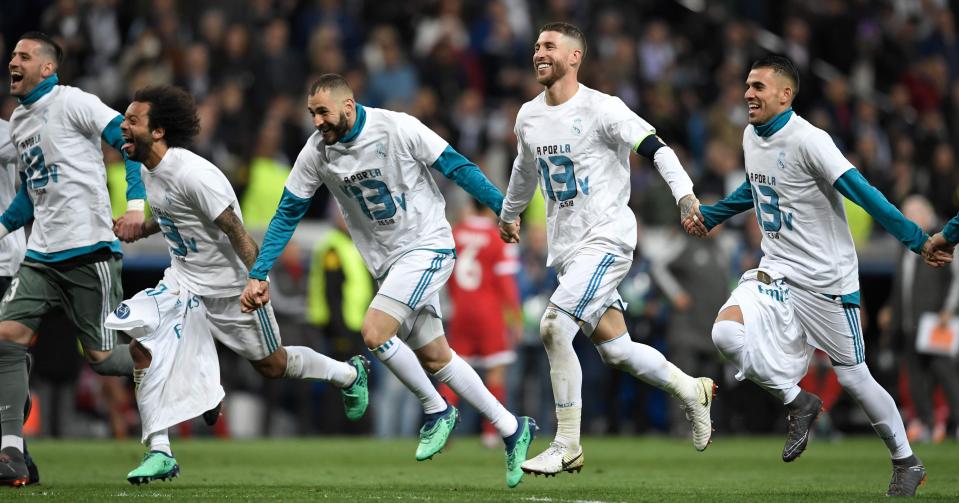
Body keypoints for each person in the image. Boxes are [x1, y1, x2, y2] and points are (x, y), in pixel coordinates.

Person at [240, 74, 536, 489]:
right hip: (388, 265)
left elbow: (456, 166)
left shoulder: (397, 127)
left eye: (322, 112)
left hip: (427, 246)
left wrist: (503, 211)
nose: (316, 122)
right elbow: (288, 212)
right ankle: (512, 428)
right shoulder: (316, 153)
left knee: (375, 331)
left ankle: (437, 410)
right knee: (436, 357)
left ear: (348, 105)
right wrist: (258, 272)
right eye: (311, 114)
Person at [686, 55, 949, 497]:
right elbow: (757, 187)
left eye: (758, 87)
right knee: (726, 335)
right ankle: (798, 401)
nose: (748, 94)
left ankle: (907, 460)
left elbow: (863, 193)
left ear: (785, 95)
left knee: (854, 377)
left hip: (826, 281)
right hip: (775, 271)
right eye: (747, 86)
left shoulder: (811, 141)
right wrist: (713, 215)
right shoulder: (752, 136)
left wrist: (917, 240)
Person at [106, 85, 369, 484]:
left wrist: (257, 279)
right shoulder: (149, 169)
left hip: (230, 290)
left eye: (132, 121)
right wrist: (144, 228)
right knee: (142, 347)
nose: (122, 127)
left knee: (273, 364)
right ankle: (159, 449)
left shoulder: (195, 174)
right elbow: (172, 211)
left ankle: (348, 375)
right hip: (183, 283)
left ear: (158, 131)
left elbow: (236, 230)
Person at [497, 22, 715, 477]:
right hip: (569, 252)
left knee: (555, 326)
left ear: (575, 57)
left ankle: (567, 443)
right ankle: (693, 389)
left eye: (550, 46)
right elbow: (524, 169)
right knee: (616, 350)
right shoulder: (528, 116)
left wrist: (685, 195)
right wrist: (509, 213)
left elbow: (657, 148)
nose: (539, 52)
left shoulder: (603, 109)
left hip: (608, 239)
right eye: (536, 46)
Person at [0, 32, 147, 486]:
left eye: (23, 56)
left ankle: (162, 359)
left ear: (46, 67)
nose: (13, 62)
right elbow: (32, 191)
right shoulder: (20, 121)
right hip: (42, 254)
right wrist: (3, 226)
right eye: (12, 56)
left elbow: (129, 139)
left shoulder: (75, 102)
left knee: (102, 359)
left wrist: (137, 203)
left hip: (89, 250)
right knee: (6, 337)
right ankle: (10, 452)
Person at [445, 198, 522, 447]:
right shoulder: (496, 235)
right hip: (490, 313)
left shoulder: (455, 233)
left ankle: (441, 426)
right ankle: (491, 433)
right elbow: (505, 282)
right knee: (496, 372)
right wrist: (516, 318)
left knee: (451, 371)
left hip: (460, 311)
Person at [883, 196, 959, 444]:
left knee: (945, 372)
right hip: (910, 322)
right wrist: (892, 311)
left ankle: (955, 422)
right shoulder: (904, 246)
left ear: (927, 215)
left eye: (912, 213)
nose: (907, 219)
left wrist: (949, 309)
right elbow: (900, 286)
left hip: (936, 321)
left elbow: (955, 281)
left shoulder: (944, 241)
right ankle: (927, 423)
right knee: (915, 375)